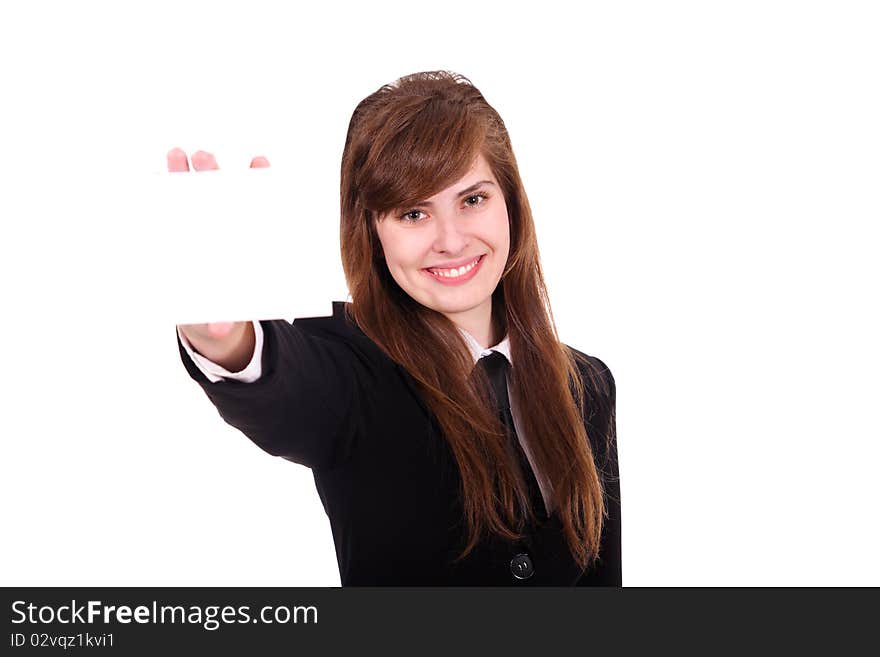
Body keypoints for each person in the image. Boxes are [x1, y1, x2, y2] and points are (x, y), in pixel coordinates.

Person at [174, 70, 620, 586]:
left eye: (473, 200)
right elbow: (289, 384)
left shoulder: (587, 384)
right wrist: (228, 340)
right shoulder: (350, 369)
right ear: (372, 231)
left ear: (511, 206)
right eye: (413, 213)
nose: (450, 241)